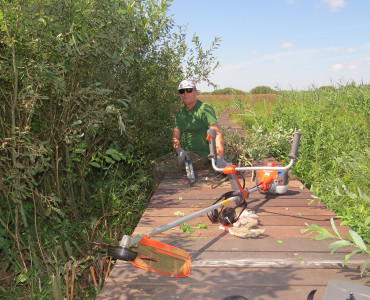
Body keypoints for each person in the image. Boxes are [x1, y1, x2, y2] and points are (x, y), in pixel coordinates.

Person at [172, 79, 227, 169]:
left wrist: (220, 158)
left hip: (202, 157)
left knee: (158, 167)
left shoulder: (204, 109)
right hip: (186, 155)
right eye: (182, 91)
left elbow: (217, 133)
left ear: (196, 92)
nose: (185, 93)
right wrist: (179, 150)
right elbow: (175, 136)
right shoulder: (180, 113)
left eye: (189, 90)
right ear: (180, 95)